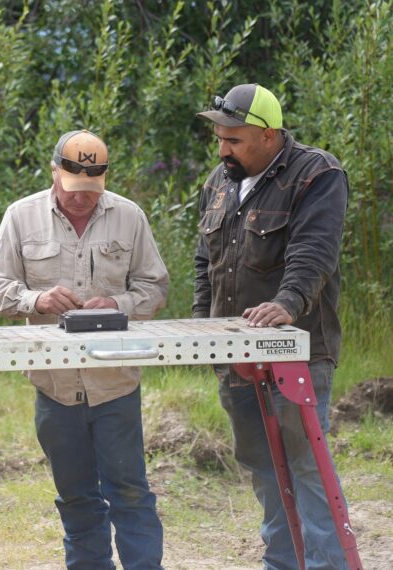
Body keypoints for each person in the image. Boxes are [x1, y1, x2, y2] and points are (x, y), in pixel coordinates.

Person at [0, 130, 169, 570]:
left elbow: (155, 286)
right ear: (54, 172)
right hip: (54, 388)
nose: (82, 199)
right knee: (76, 496)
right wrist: (37, 300)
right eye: (73, 188)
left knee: (129, 491)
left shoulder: (129, 216)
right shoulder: (20, 217)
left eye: (91, 189)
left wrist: (119, 304)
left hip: (116, 385)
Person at [194, 83, 350, 569]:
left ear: (269, 135)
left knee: (306, 467)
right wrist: (203, 331)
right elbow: (205, 262)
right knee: (262, 467)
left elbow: (314, 251)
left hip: (298, 354)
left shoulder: (317, 175)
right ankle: (283, 563)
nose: (222, 149)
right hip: (234, 357)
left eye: (233, 139)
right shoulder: (217, 183)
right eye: (219, 138)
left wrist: (287, 303)